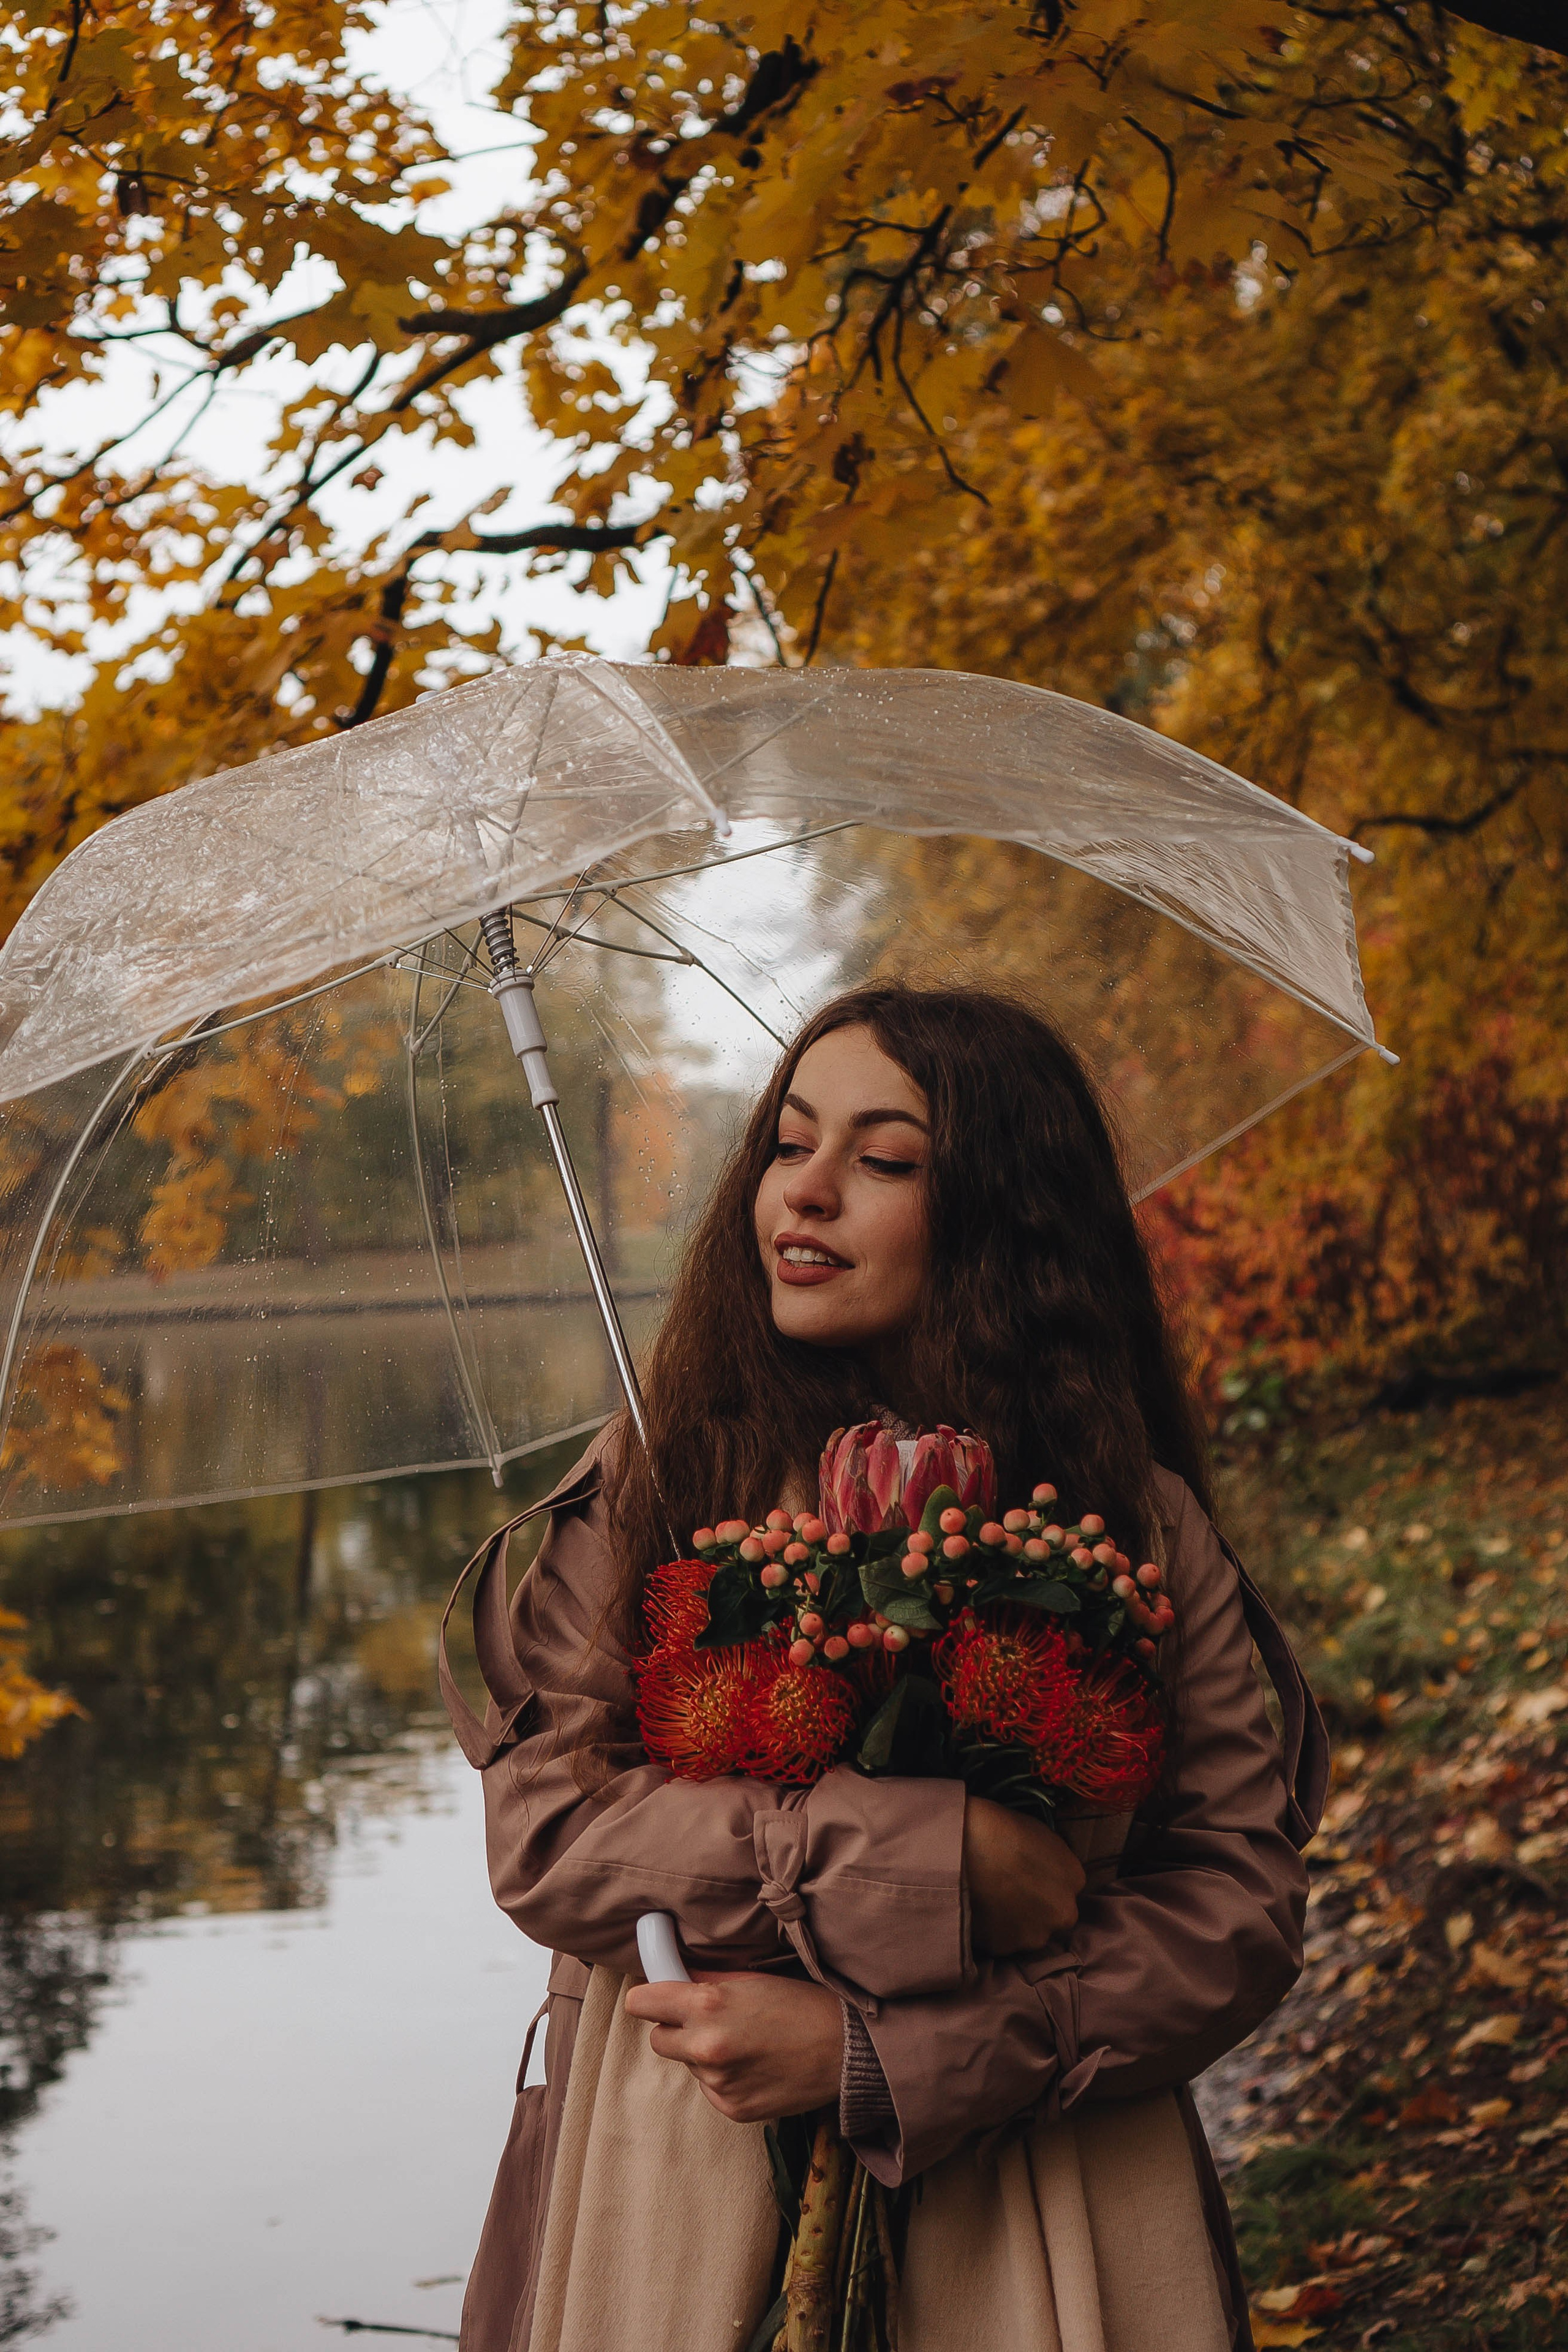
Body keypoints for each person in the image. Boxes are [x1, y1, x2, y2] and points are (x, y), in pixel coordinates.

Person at [440, 984, 1325, 2352]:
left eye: (883, 1160)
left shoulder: (1130, 1519)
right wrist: (930, 1852)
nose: (805, 1195)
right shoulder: (655, 1480)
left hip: (1040, 2197)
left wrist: (878, 2059)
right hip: (679, 2171)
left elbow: (1236, 1910)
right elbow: (550, 1835)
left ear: (1000, 1216)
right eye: (788, 1146)